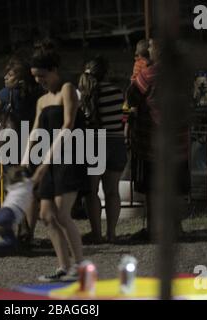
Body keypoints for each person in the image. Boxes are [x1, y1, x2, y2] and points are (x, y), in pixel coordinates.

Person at [24, 39, 86, 282]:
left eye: (41, 75)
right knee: (46, 215)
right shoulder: (42, 100)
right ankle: (64, 267)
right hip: (48, 161)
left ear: (53, 70)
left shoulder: (67, 89)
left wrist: (44, 164)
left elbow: (68, 125)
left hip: (68, 158)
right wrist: (23, 160)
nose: (38, 80)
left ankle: (81, 268)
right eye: (34, 77)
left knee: (61, 213)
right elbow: (35, 132)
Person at [127, 38, 188, 240]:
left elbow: (131, 97)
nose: (149, 49)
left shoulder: (149, 74)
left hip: (154, 142)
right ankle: (177, 228)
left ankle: (154, 229)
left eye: (152, 46)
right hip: (179, 141)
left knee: (152, 189)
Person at [0, 56, 43, 246]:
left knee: (14, 187)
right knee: (31, 189)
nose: (5, 76)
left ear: (20, 77)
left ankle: (18, 227)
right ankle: (29, 234)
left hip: (12, 144)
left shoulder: (9, 93)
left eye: (10, 73)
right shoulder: (40, 92)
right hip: (37, 142)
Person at [79, 56, 126, 244]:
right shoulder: (117, 92)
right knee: (112, 191)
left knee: (91, 192)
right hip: (116, 142)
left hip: (94, 143)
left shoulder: (84, 94)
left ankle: (96, 233)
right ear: (106, 73)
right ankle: (112, 234)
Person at [0, 163, 48, 263]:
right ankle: (0, 228)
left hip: (1, 213)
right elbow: (39, 173)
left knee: (11, 243)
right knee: (6, 228)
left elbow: (5, 179)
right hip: (10, 214)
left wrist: (3, 177)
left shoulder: (11, 186)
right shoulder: (27, 184)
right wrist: (47, 162)